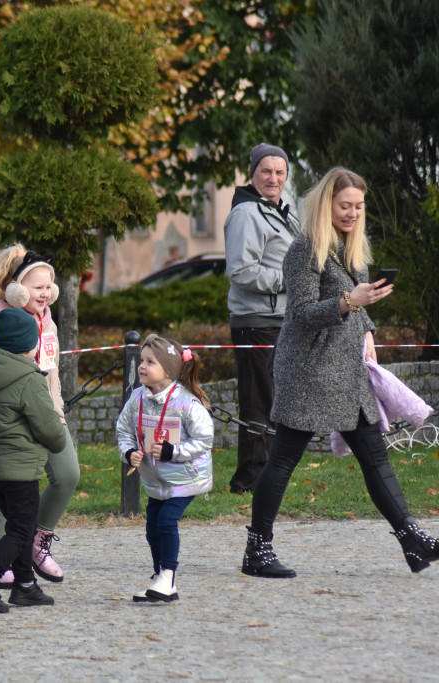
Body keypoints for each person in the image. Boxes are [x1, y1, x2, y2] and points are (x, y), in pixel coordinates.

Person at [242, 167, 439, 577]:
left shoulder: (351, 247)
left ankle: (413, 540)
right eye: (344, 205)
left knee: (376, 460)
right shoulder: (305, 249)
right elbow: (300, 314)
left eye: (358, 206)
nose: (352, 213)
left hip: (348, 373)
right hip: (308, 370)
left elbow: (357, 309)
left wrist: (367, 327)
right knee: (282, 460)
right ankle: (256, 550)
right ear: (326, 204)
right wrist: (350, 301)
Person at [0, 246, 79, 584]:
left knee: (68, 475)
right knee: (11, 485)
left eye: (49, 287)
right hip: (12, 426)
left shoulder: (48, 324)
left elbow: (52, 375)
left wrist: (57, 412)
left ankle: (37, 541)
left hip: (44, 416)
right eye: (37, 287)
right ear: (16, 290)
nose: (45, 294)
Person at [0, 308, 68, 613]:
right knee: (23, 529)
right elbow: (49, 428)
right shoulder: (28, 378)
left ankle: (25, 584)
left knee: (19, 524)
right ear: (30, 344)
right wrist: (58, 437)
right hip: (20, 466)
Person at [223, 143, 301, 494]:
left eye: (280, 172)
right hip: (256, 321)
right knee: (259, 402)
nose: (273, 178)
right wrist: (291, 281)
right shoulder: (246, 214)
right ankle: (250, 480)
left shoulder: (284, 210)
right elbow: (241, 271)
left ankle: (270, 477)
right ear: (252, 172)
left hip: (283, 319)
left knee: (277, 400)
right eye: (266, 171)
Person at [116, 335, 214, 603]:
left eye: (151, 362)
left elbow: (205, 439)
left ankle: (168, 576)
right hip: (156, 479)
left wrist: (175, 452)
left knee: (166, 522)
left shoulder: (186, 403)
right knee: (151, 528)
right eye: (142, 361)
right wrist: (128, 452)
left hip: (186, 478)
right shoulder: (137, 397)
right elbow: (124, 429)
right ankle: (159, 577)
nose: (142, 366)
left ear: (169, 370)